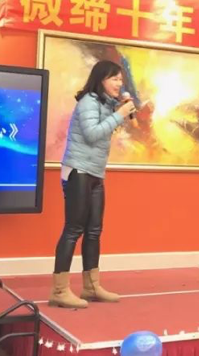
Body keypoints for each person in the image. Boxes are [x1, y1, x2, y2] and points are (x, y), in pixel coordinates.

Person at [49, 60, 135, 308]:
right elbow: (92, 134)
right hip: (78, 170)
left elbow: (104, 132)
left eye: (121, 79)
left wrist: (119, 112)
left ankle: (91, 287)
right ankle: (59, 290)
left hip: (96, 172)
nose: (119, 84)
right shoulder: (88, 101)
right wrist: (119, 115)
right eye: (115, 79)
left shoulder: (106, 104)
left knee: (94, 230)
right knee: (73, 229)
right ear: (101, 79)